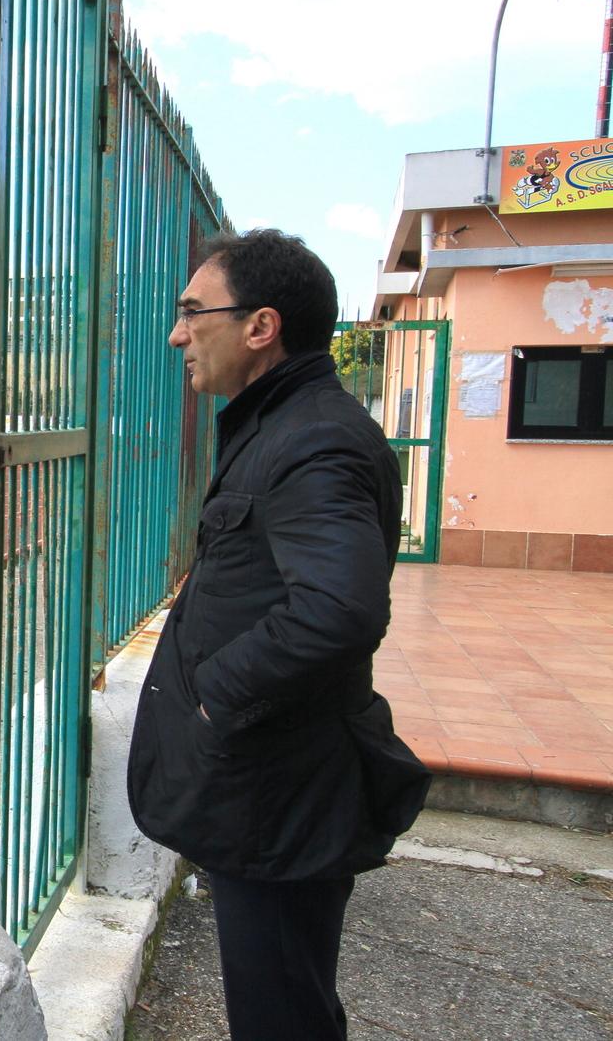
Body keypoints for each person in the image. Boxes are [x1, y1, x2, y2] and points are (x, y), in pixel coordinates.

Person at [127, 229, 431, 1040]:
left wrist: (215, 697)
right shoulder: (281, 424)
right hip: (273, 785)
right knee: (286, 1005)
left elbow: (339, 608)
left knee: (281, 1018)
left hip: (281, 793)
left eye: (194, 312)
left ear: (261, 325)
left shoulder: (313, 438)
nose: (176, 333)